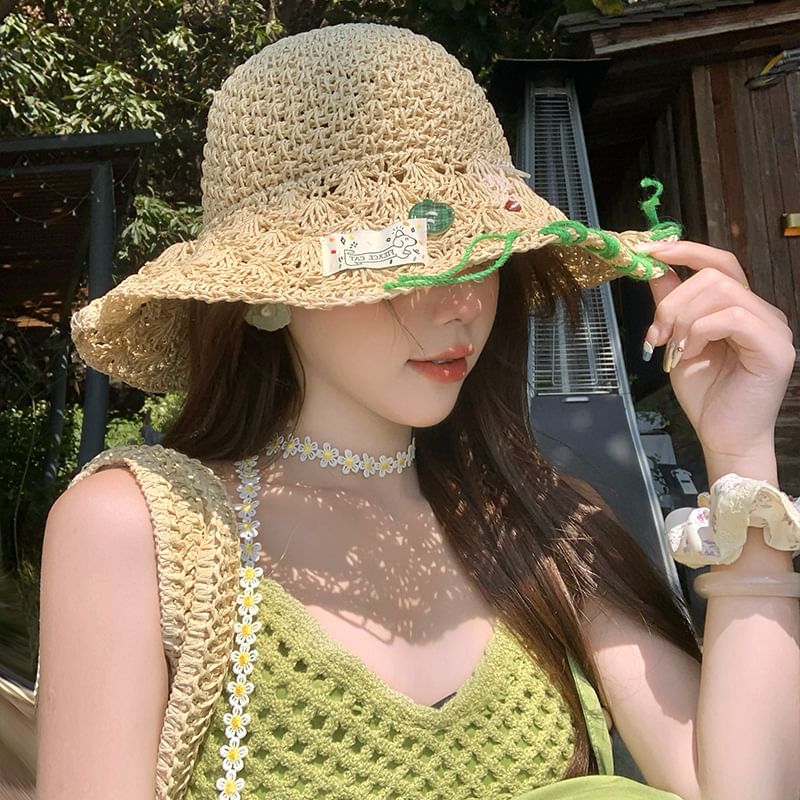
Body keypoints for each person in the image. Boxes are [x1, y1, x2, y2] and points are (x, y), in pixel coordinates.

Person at [34, 22, 799, 800]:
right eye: (401, 257)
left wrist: (740, 455)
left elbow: (747, 789)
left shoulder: (547, 526)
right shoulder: (145, 531)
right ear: (266, 292)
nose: (461, 304)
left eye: (483, 255)